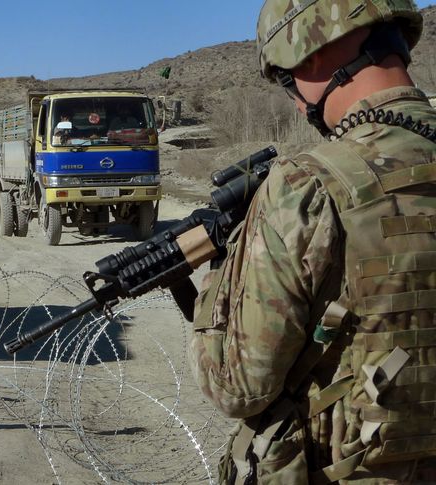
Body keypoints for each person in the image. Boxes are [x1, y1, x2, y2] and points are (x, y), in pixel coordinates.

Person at [189, 1, 436, 483]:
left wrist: (220, 279)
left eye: (287, 82)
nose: (298, 104)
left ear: (311, 58)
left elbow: (239, 387)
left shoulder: (307, 186)